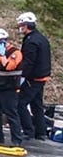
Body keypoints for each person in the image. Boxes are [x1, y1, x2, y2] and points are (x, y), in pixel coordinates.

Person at [0, 28, 25, 145]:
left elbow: (8, 67)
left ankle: (16, 139)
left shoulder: (15, 53)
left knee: (11, 113)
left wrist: (2, 55)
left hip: (9, 89)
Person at [16, 12, 52, 141]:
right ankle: (40, 132)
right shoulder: (41, 38)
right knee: (37, 105)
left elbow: (29, 62)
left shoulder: (31, 41)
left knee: (20, 103)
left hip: (34, 77)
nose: (20, 27)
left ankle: (28, 131)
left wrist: (20, 76)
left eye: (21, 25)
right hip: (42, 76)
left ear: (26, 25)